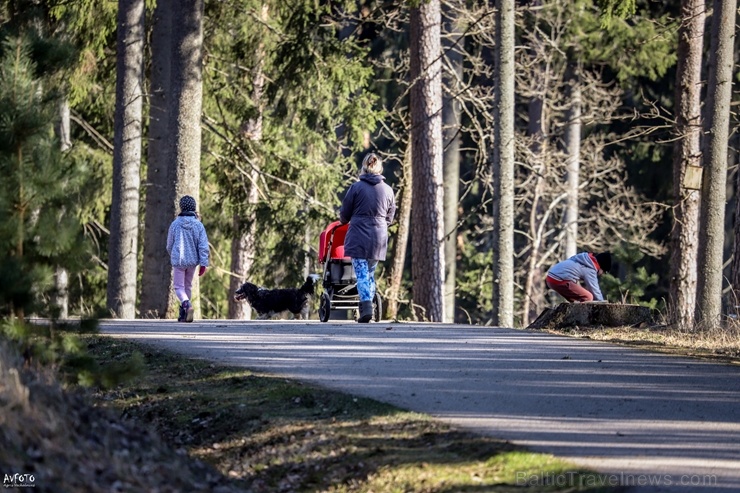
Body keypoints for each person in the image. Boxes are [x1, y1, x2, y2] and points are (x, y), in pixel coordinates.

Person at [339, 152, 396, 323]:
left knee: (362, 273)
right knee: (370, 273)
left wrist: (344, 220)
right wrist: (381, 224)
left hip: (358, 235)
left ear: (364, 167)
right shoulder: (388, 190)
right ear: (380, 168)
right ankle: (369, 304)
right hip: (379, 237)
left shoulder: (356, 188)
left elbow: (345, 214)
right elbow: (390, 216)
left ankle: (366, 307)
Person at [166, 195, 210, 322]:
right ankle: (184, 314)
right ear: (194, 208)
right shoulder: (198, 225)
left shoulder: (175, 224)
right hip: (192, 262)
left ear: (181, 207)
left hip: (179, 261)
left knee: (179, 287)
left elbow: (169, 244)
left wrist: (172, 254)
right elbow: (203, 246)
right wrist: (203, 263)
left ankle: (186, 305)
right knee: (187, 286)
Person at [545, 251, 612, 303]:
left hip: (551, 278)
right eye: (604, 272)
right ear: (601, 267)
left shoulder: (583, 259)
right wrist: (602, 303)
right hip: (559, 280)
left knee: (576, 300)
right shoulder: (591, 269)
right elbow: (594, 289)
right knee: (588, 297)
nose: (602, 274)